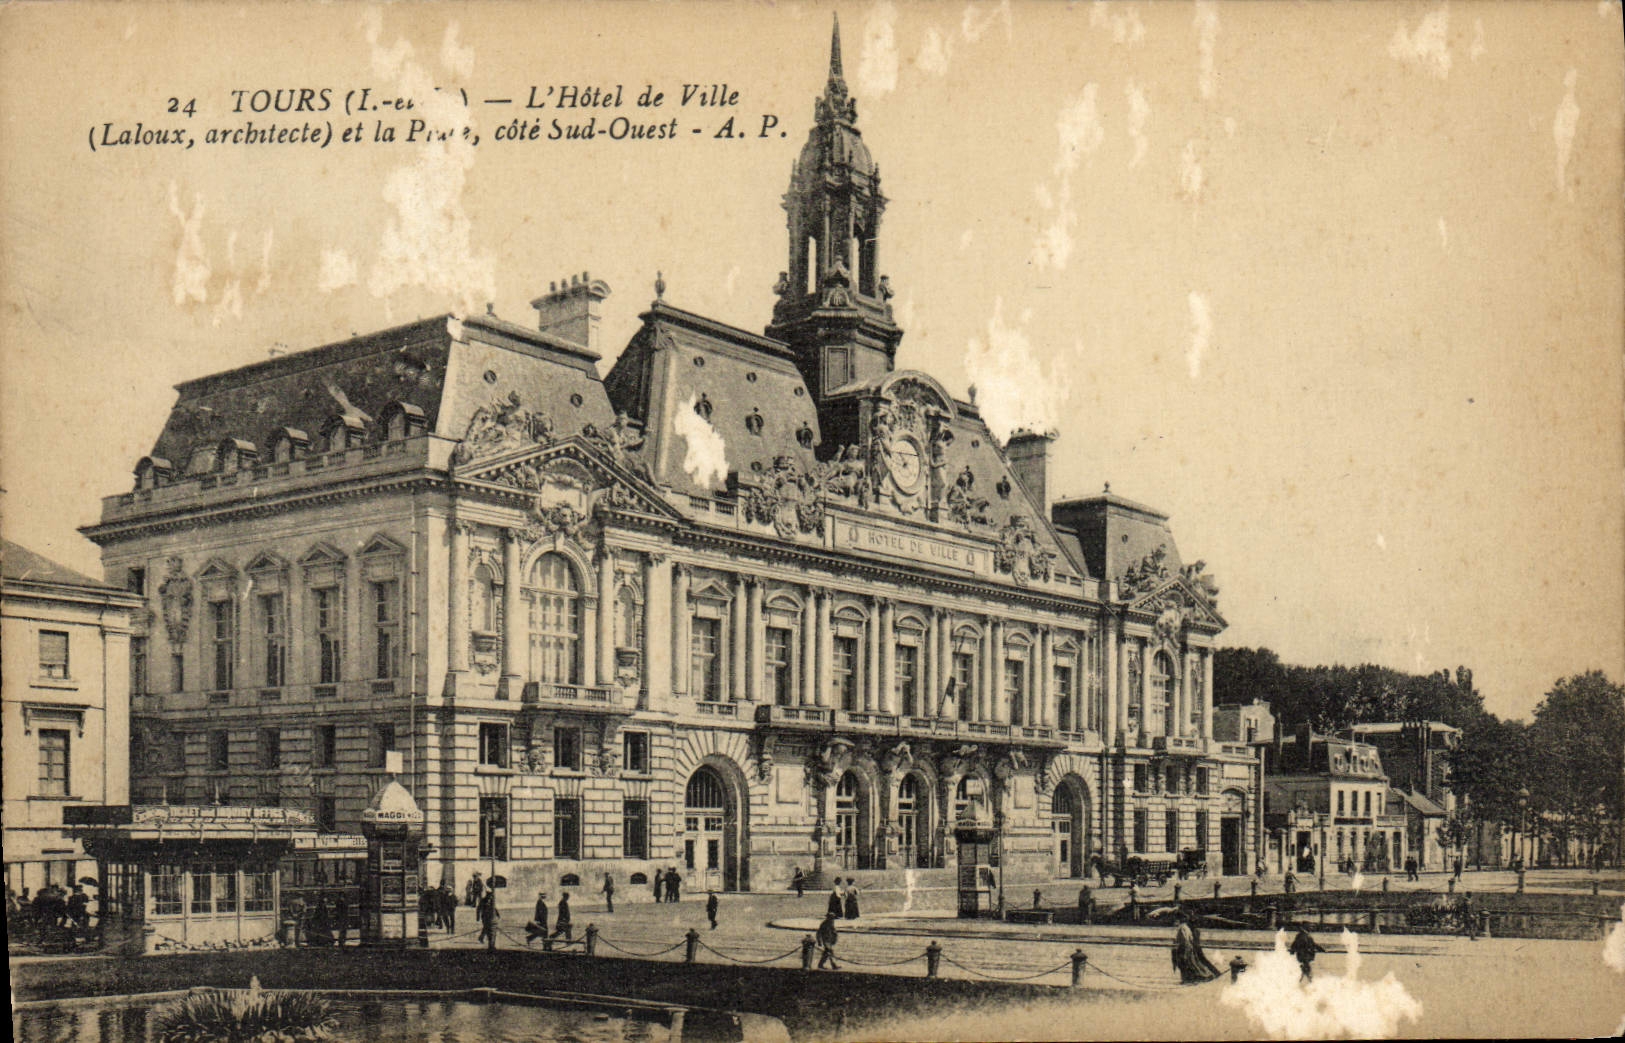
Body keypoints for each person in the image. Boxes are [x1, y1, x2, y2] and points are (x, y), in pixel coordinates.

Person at [1171, 912, 1220, 983]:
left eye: (1176, 920)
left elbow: (1186, 939)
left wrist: (1187, 948)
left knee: (1191, 963)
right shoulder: (1188, 928)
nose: (1175, 922)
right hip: (1189, 947)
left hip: (1187, 948)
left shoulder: (1184, 928)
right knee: (1192, 963)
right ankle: (1209, 974)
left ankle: (1203, 976)